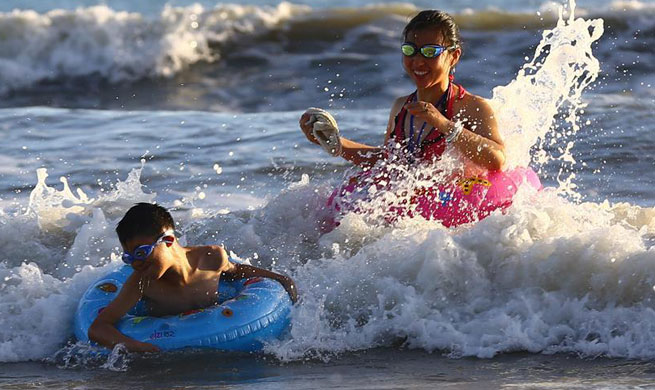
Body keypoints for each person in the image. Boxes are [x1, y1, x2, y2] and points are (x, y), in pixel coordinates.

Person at [299, 10, 505, 172]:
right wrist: (335, 143)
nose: (418, 61)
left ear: (454, 56)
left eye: (430, 52)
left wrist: (443, 124)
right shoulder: (402, 107)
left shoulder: (470, 106)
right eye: (410, 50)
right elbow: (389, 162)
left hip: (459, 206)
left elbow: (498, 159)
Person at [88, 202, 298, 352]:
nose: (136, 263)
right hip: (169, 341)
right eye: (129, 256)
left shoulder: (211, 258)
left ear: (168, 241)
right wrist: (135, 346)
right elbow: (99, 327)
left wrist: (280, 279)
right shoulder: (142, 283)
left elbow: (237, 272)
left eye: (141, 252)